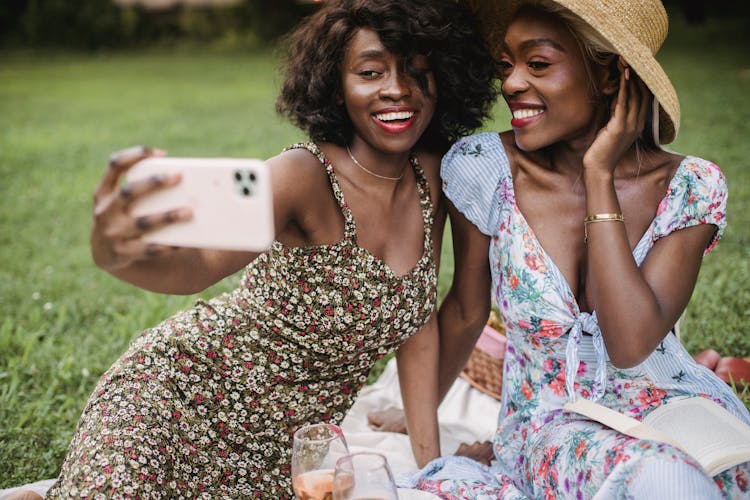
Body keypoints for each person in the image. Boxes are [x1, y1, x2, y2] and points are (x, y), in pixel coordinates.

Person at [34, 1, 498, 497]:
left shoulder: (435, 174)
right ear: (336, 86)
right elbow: (198, 267)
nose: (397, 89)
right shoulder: (302, 175)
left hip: (286, 450)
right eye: (369, 72)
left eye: (416, 72)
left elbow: (417, 324)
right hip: (178, 395)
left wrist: (431, 468)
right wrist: (113, 253)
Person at [402, 0, 750, 498]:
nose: (512, 83)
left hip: (678, 409)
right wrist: (415, 416)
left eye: (537, 64)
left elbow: (631, 344)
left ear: (611, 78)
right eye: (507, 65)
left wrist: (599, 175)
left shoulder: (690, 186)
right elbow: (463, 312)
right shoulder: (485, 168)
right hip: (552, 422)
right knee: (663, 475)